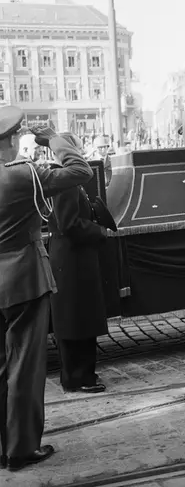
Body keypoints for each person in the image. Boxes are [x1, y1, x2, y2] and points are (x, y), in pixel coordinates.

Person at [0, 107, 93, 471]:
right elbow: (81, 171)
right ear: (11, 139)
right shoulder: (23, 175)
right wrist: (55, 138)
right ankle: (21, 448)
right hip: (23, 280)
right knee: (24, 366)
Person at [48, 133, 110, 394]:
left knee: (79, 317)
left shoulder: (63, 179)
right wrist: (99, 231)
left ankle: (81, 374)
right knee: (76, 319)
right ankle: (79, 377)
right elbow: (69, 224)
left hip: (73, 258)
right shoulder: (66, 183)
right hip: (72, 260)